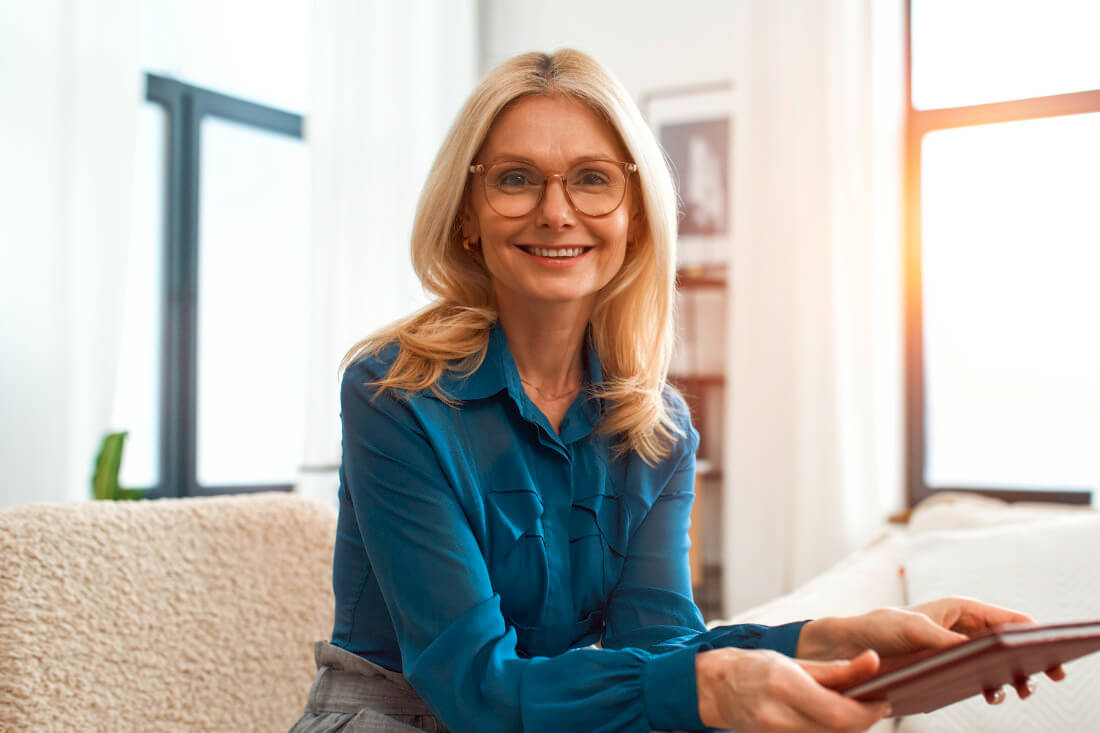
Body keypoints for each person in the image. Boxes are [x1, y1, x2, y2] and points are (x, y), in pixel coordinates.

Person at [290, 49, 1063, 733]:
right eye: (516, 178)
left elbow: (655, 650)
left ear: (633, 216)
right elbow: (475, 690)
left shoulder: (657, 429)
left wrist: (849, 637)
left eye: (592, 179)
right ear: (467, 214)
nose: (555, 211)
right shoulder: (394, 394)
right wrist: (709, 687)